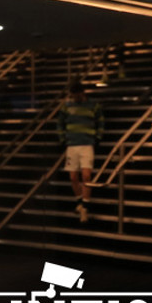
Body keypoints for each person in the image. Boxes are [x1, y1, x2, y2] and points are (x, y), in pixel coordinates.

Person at [57, 81, 103, 223]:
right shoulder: (66, 106)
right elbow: (60, 122)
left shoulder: (93, 106)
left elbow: (100, 121)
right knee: (73, 177)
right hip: (72, 144)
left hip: (87, 143)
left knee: (86, 175)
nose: (75, 98)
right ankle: (80, 202)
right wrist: (62, 138)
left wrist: (98, 137)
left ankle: (85, 206)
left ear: (82, 93)